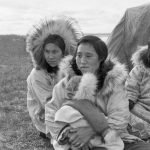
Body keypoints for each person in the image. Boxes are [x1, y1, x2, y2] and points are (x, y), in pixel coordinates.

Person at [45, 35, 144, 150]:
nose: (82, 61)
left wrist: (90, 131)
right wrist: (68, 133)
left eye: (88, 56)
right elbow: (50, 113)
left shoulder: (113, 84)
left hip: (110, 139)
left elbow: (119, 119)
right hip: (72, 141)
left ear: (101, 58)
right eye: (79, 55)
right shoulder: (65, 84)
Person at [26, 15, 83, 139]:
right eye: (47, 51)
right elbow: (48, 104)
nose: (50, 56)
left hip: (68, 111)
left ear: (63, 52)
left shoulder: (68, 70)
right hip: (47, 118)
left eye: (55, 52)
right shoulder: (37, 74)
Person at [125, 42, 150, 140]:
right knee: (127, 114)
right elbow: (131, 87)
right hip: (140, 107)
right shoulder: (140, 69)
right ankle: (140, 133)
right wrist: (129, 100)